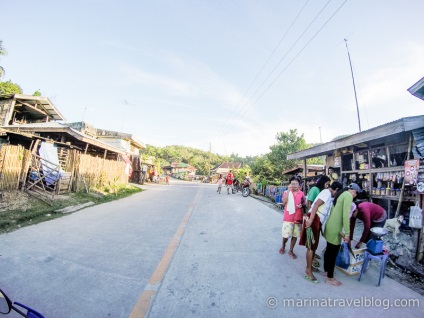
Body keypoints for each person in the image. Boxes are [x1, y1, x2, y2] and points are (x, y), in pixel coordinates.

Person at [299, 181, 343, 283]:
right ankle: (308, 271)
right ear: (336, 189)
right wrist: (310, 219)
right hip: (314, 219)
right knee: (311, 247)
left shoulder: (329, 195)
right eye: (338, 192)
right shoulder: (326, 193)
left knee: (313, 246)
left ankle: (310, 266)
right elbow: (316, 205)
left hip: (317, 221)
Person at [323, 183, 362, 286]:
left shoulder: (341, 193)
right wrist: (348, 233)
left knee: (329, 250)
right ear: (354, 191)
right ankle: (330, 278)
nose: (355, 196)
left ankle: (326, 271)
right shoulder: (348, 196)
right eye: (356, 193)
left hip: (330, 225)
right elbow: (346, 215)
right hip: (335, 228)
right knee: (333, 253)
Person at [279, 177, 306, 259]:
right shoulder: (286, 192)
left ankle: (291, 250)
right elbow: (284, 202)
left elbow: (304, 202)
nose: (294, 185)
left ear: (299, 185)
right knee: (286, 235)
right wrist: (288, 191)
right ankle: (283, 245)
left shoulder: (301, 193)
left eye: (296, 184)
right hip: (288, 218)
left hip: (298, 217)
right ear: (290, 184)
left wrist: (302, 205)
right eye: (292, 184)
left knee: (295, 235)